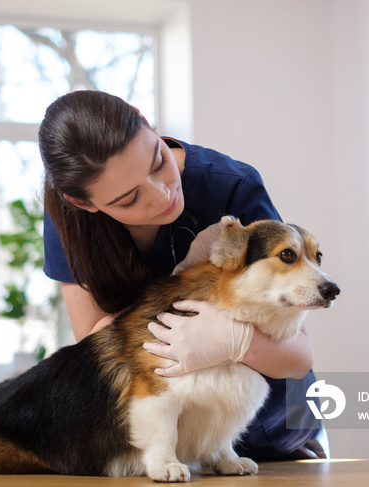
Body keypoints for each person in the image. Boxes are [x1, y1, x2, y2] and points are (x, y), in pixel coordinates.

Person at [40, 90, 325, 461]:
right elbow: (95, 346)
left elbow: (298, 356)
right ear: (83, 203)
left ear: (144, 120)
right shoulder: (69, 223)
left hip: (275, 426)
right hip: (167, 437)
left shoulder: (230, 185)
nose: (162, 196)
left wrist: (237, 341)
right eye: (128, 200)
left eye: (158, 161)